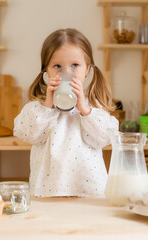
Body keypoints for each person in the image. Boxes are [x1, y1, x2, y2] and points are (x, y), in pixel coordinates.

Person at [14, 28, 119, 198]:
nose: (66, 73)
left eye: (75, 65)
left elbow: (105, 138)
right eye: (57, 66)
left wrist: (85, 110)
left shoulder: (94, 108)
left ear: (87, 69)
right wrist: (48, 105)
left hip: (90, 194)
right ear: (46, 71)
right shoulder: (37, 109)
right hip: (48, 194)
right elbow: (27, 133)